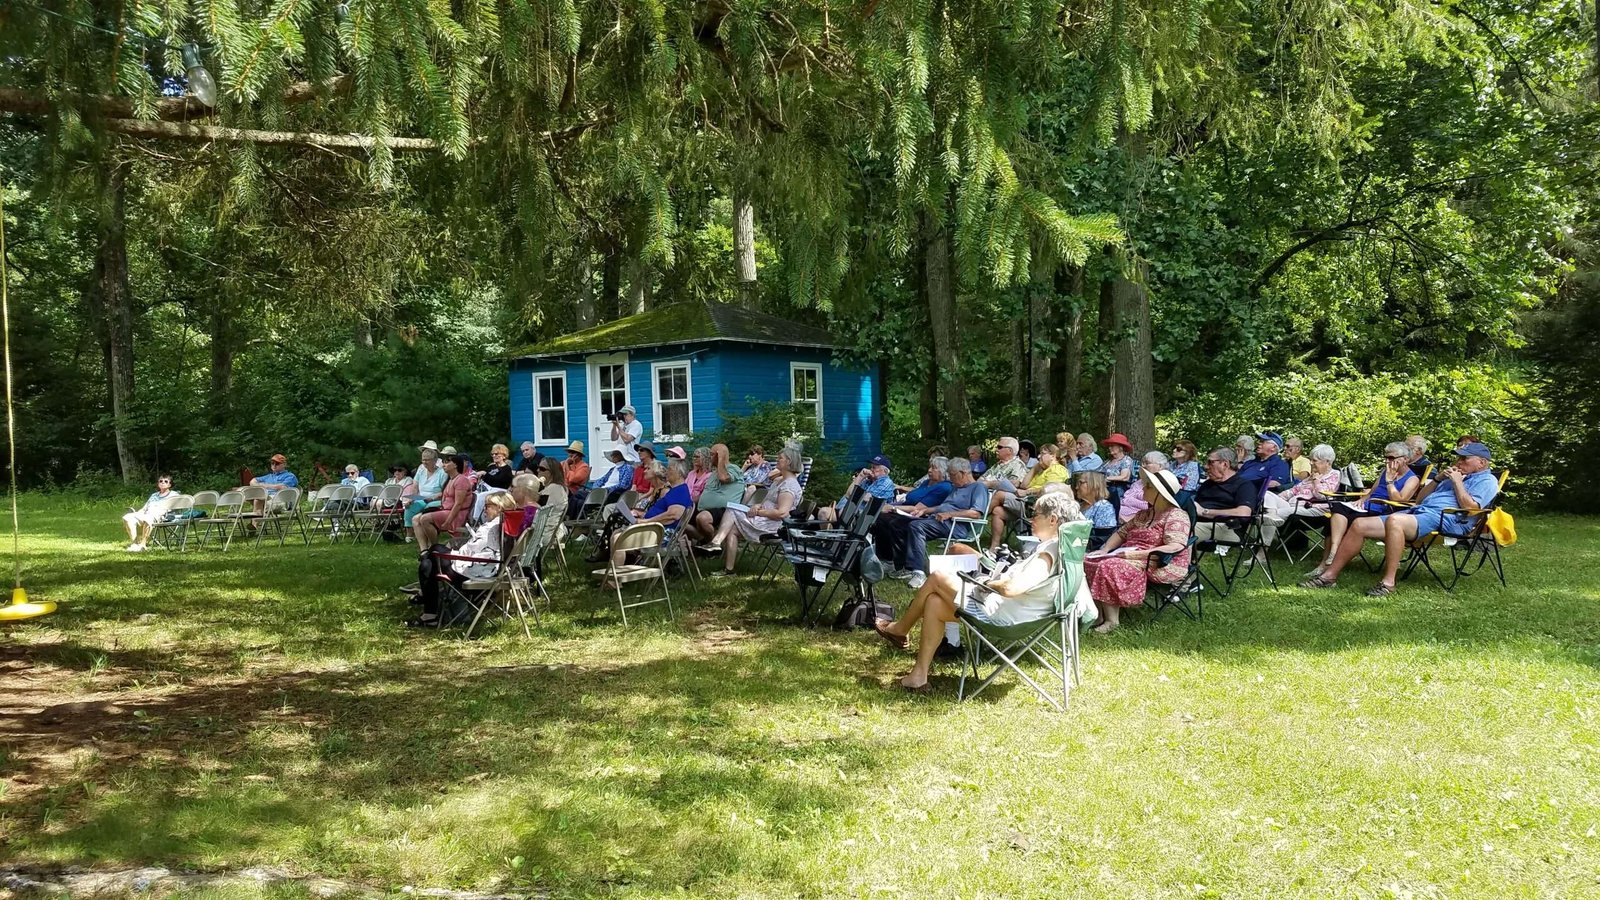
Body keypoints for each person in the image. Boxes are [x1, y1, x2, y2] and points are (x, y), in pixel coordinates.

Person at [871, 491, 1082, 691]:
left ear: (1053, 520)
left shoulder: (1048, 554)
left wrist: (988, 583)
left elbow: (1012, 588)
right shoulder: (1061, 548)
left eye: (1035, 514)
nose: (1030, 519)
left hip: (1004, 616)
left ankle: (900, 630)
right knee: (934, 602)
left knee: (937, 577)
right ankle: (918, 676)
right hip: (1013, 610)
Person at [1303, 442, 1501, 596]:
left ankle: (1388, 583)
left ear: (1481, 463)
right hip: (1420, 512)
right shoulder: (1455, 476)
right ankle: (1329, 576)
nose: (1458, 463)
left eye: (1464, 459)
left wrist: (1458, 483)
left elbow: (1472, 508)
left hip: (1448, 519)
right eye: (1458, 459)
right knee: (1359, 524)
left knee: (1395, 520)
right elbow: (1421, 499)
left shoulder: (1487, 480)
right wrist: (1439, 479)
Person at [1084, 469, 1191, 633]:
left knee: (1109, 566)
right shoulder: (1144, 515)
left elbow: (1174, 546)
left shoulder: (1176, 516)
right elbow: (1122, 533)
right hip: (1129, 555)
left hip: (1158, 562)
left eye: (1147, 487)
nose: (1142, 489)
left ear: (1159, 493)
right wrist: (1104, 549)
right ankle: (1098, 614)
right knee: (1089, 560)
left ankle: (1112, 621)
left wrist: (1135, 555)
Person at [1307, 441, 1422, 578]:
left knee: (1346, 518)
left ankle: (1329, 562)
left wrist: (1390, 481)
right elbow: (1373, 491)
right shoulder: (1385, 471)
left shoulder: (1412, 479)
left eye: (1391, 458)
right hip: (1367, 506)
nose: (1387, 461)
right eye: (1386, 457)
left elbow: (1399, 500)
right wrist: (1362, 499)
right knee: (1336, 509)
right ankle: (1330, 555)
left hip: (1384, 510)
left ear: (1405, 459)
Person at [872, 457, 990, 590]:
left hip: (955, 525)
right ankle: (899, 565)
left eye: (952, 475)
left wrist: (949, 515)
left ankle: (918, 572)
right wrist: (924, 511)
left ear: (963, 473)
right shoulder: (956, 487)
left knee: (916, 527)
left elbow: (975, 513)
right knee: (898, 523)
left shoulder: (978, 488)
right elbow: (942, 506)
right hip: (937, 519)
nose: (950, 479)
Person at [408, 491, 515, 628]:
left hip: (477, 574)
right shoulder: (508, 524)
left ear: (498, 507)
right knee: (427, 564)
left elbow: (469, 550)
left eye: (487, 506)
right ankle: (429, 614)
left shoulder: (490, 528)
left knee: (434, 551)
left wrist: (454, 550)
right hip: (492, 570)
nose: (484, 510)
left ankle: (427, 608)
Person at [705, 444, 804, 576]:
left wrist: (759, 512)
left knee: (732, 510)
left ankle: (716, 541)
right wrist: (758, 505)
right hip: (762, 518)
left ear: (789, 462)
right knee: (732, 530)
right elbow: (768, 502)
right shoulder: (779, 480)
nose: (777, 460)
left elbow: (782, 513)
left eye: (780, 458)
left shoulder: (789, 485)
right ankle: (729, 570)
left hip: (773, 526)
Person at [600, 459, 694, 570]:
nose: (666, 472)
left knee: (618, 538)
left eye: (669, 469)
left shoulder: (680, 491)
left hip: (661, 534)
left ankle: (615, 578)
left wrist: (646, 521)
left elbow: (673, 515)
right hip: (655, 530)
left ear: (679, 472)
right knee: (617, 532)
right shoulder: (675, 490)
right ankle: (616, 572)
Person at [984, 443, 1068, 552]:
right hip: (1026, 503)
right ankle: (994, 547)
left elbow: (1050, 488)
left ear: (1053, 456)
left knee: (1000, 494)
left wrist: (1027, 493)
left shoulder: (1057, 470)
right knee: (998, 511)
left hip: (1038, 506)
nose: (1038, 457)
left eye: (1042, 454)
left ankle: (978, 518)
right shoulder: (1041, 471)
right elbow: (1024, 485)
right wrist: (1035, 468)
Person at [1193, 448, 1259, 543]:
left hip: (1226, 527)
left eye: (1210, 462)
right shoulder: (1207, 484)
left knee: (1182, 531)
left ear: (1225, 464)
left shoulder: (1244, 485)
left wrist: (1205, 512)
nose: (1205, 466)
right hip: (1199, 523)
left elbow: (1244, 513)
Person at [1263, 443, 1340, 520]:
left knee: (1275, 513)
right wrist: (1278, 498)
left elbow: (1322, 496)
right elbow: (1294, 490)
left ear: (1328, 462)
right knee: (1267, 494)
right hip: (1293, 505)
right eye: (1311, 460)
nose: (1311, 463)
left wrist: (1316, 480)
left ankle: (1272, 515)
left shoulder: (1334, 475)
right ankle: (1271, 514)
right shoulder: (1314, 474)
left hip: (1312, 508)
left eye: (1314, 460)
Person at [688, 443, 747, 542]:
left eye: (712, 454)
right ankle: (702, 542)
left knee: (702, 518)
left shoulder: (733, 468)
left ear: (720, 455)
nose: (709, 457)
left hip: (724, 510)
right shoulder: (714, 473)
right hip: (704, 509)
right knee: (679, 516)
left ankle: (712, 543)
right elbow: (705, 494)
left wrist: (721, 460)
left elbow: (724, 478)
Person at [816, 454, 897, 525]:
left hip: (865, 517)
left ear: (885, 471)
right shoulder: (867, 481)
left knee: (824, 512)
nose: (871, 469)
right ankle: (828, 540)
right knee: (823, 513)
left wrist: (857, 493)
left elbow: (868, 499)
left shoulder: (886, 482)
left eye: (874, 467)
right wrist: (860, 476)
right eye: (871, 466)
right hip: (848, 511)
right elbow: (848, 494)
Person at [413, 454, 473, 547]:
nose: (444, 465)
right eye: (443, 463)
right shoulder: (450, 479)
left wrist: (448, 521)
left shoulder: (461, 480)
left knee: (425, 519)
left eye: (447, 462)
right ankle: (424, 550)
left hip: (457, 514)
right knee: (416, 518)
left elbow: (458, 504)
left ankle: (435, 547)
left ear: (456, 465)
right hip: (445, 510)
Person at [122, 474, 180, 552]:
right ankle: (134, 544)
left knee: (148, 518)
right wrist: (138, 513)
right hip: (147, 513)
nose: (163, 483)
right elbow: (145, 508)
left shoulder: (174, 494)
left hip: (162, 515)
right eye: (161, 481)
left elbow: (176, 507)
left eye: (166, 481)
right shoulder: (154, 495)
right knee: (127, 517)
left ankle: (143, 545)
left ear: (170, 484)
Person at [404, 443, 447, 530]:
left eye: (427, 460)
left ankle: (427, 529)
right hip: (421, 498)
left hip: (436, 500)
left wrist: (432, 498)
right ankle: (409, 534)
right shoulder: (421, 471)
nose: (424, 462)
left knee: (427, 508)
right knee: (410, 506)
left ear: (434, 461)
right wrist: (412, 498)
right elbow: (415, 486)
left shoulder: (442, 473)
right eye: (423, 460)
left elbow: (445, 491)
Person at [1118, 451, 1168, 522]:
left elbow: (1150, 506)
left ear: (1160, 466)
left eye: (1147, 463)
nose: (1143, 466)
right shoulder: (1140, 482)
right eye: (1143, 463)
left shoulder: (1166, 483)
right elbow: (1126, 498)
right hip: (1124, 513)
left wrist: (1131, 501)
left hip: (1144, 517)